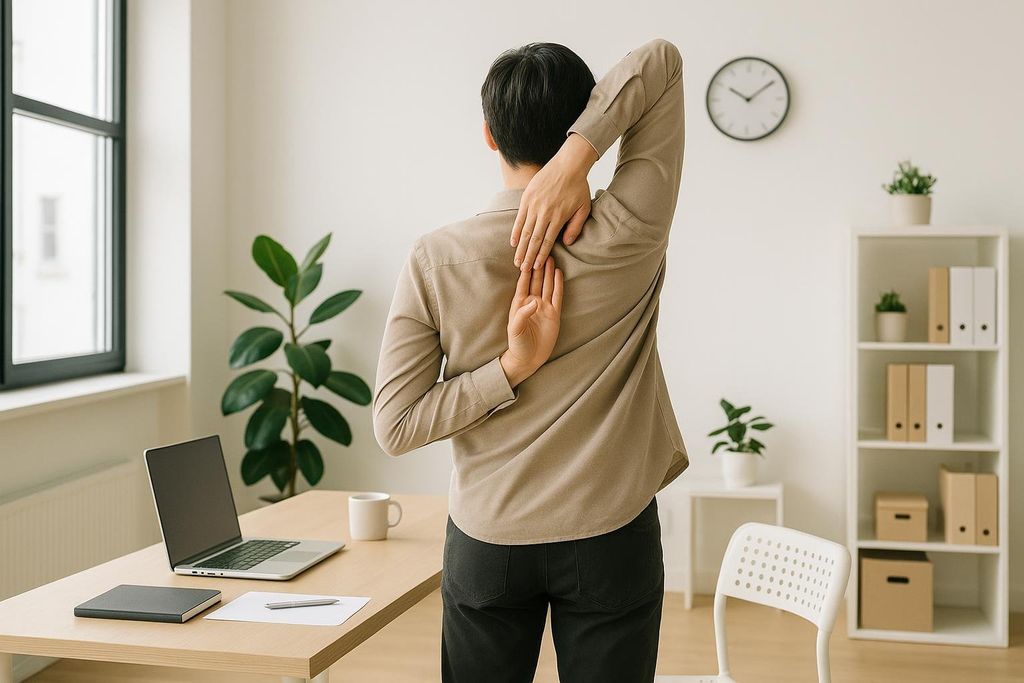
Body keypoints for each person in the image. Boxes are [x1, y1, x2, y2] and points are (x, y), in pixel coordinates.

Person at [373, 38, 687, 683]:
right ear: (585, 120)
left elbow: (395, 427)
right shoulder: (631, 228)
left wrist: (507, 371)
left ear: (490, 136)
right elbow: (661, 62)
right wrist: (581, 156)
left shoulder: (436, 258)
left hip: (490, 539)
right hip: (611, 530)